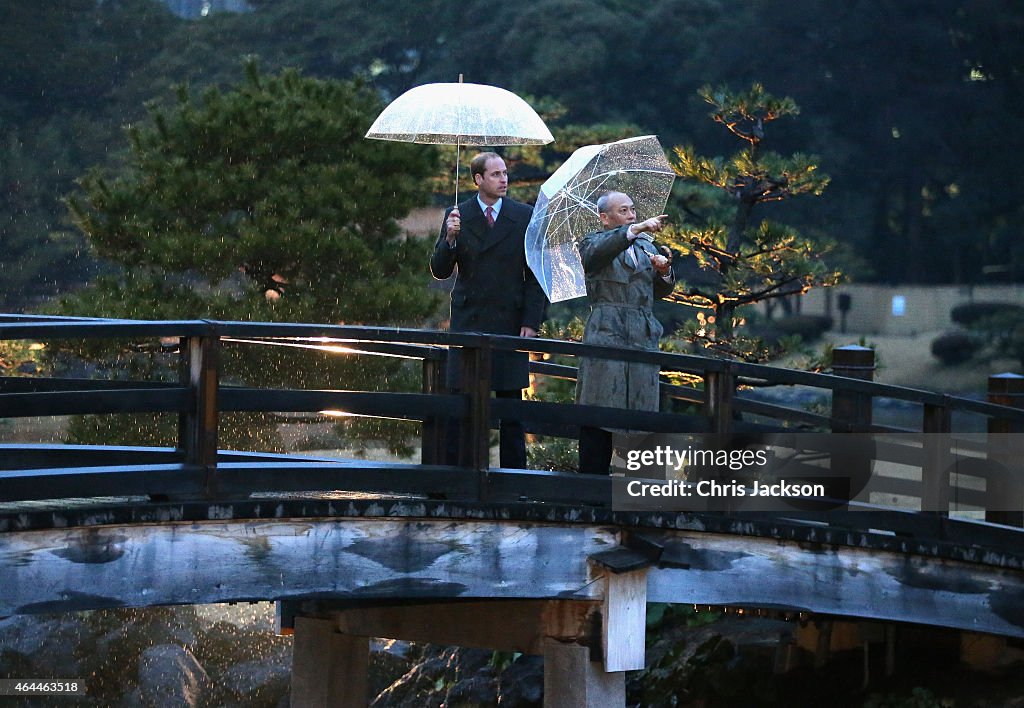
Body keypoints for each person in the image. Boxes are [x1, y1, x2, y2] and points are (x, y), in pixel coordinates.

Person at [430, 151, 547, 468]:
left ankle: (514, 478)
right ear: (478, 179)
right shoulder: (457, 215)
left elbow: (535, 273)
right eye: (495, 174)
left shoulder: (523, 215)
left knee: (511, 406)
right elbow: (440, 270)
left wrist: (531, 320)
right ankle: (458, 475)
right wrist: (449, 240)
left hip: (510, 319)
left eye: (505, 173)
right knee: (463, 401)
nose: (504, 179)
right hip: (470, 319)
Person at [576, 191, 674, 475]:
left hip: (643, 335)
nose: (631, 214)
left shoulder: (646, 247)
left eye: (632, 209)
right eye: (623, 210)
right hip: (607, 331)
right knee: (600, 410)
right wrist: (636, 230)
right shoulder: (592, 243)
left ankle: (635, 491)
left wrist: (664, 270)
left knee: (641, 414)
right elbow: (595, 256)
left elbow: (660, 290)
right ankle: (591, 490)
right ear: (604, 218)